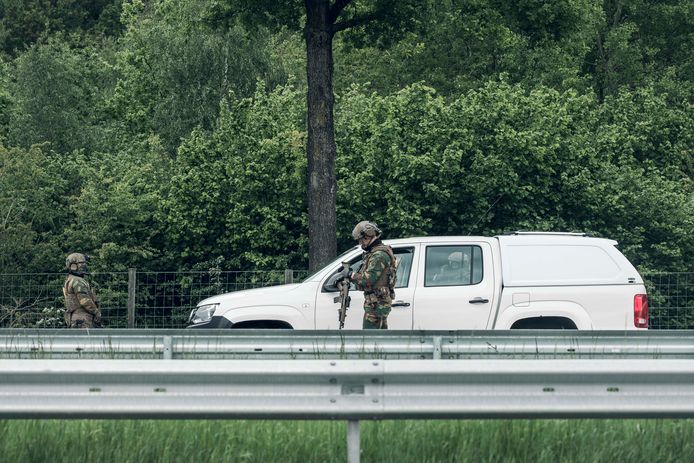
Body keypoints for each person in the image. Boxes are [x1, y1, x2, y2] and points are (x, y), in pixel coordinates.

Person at [349, 221, 397, 329]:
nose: (361, 244)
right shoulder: (375, 252)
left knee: (369, 341)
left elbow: (367, 280)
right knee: (379, 341)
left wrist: (351, 275)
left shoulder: (379, 255)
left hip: (377, 305)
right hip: (376, 303)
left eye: (361, 240)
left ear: (367, 237)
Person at [63, 252, 101, 328]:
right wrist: (96, 312)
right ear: (74, 266)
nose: (84, 265)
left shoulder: (71, 279)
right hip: (82, 318)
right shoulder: (77, 281)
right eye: (81, 263)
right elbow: (85, 301)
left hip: (77, 317)